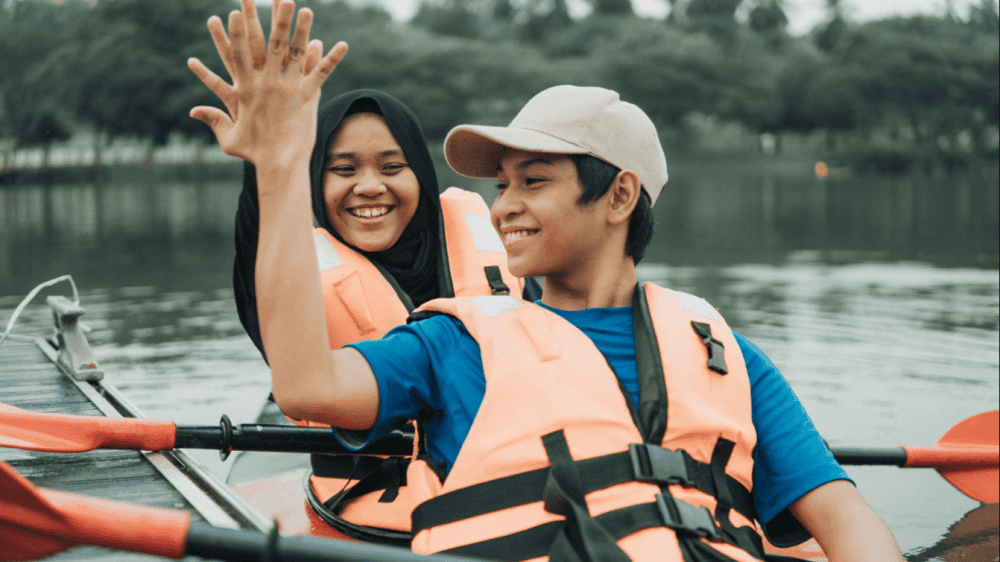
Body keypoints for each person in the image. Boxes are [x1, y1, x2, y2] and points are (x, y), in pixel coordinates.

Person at [188, 2, 904, 561]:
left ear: (620, 197)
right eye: (501, 185)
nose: (503, 206)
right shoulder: (454, 343)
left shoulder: (729, 357)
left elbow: (843, 518)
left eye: (533, 181)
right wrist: (280, 167)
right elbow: (305, 384)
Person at [205, 4, 537, 542]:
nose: (368, 187)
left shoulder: (493, 240)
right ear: (315, 182)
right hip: (372, 522)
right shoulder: (294, 278)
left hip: (510, 505)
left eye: (391, 167)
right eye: (342, 170)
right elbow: (258, 249)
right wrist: (269, 158)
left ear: (422, 176)